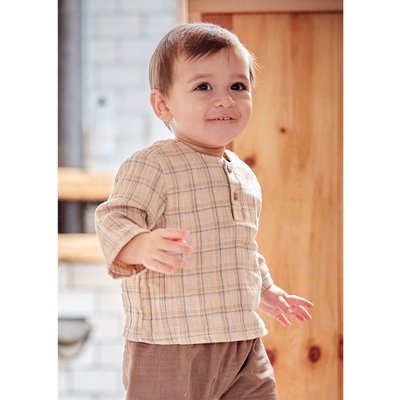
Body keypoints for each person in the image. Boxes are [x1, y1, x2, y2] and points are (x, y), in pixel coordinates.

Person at [95, 22, 314, 400]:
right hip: (171, 343)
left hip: (242, 339)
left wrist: (265, 289)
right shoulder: (154, 164)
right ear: (163, 105)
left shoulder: (244, 174)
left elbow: (241, 246)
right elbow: (114, 218)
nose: (225, 100)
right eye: (203, 87)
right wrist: (142, 244)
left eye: (237, 87)